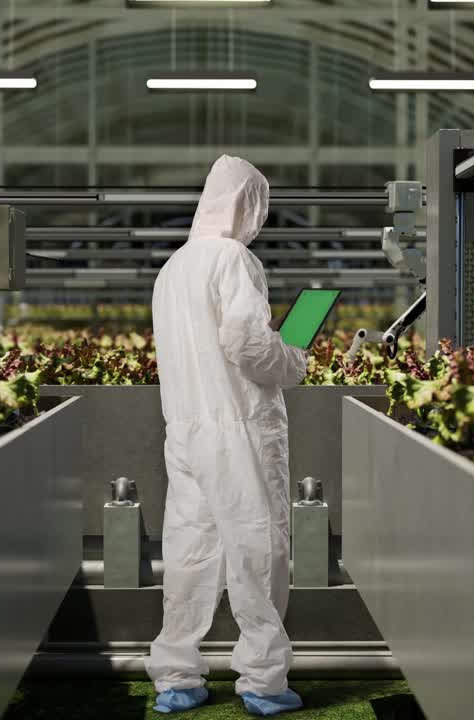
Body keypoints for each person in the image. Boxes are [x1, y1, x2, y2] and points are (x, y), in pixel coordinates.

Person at [145, 155, 308, 716]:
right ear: (248, 205)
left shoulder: (173, 269)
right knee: (257, 549)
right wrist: (295, 359)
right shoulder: (234, 258)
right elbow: (248, 346)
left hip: (185, 428)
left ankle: (177, 677)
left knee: (189, 550)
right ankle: (263, 683)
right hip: (238, 427)